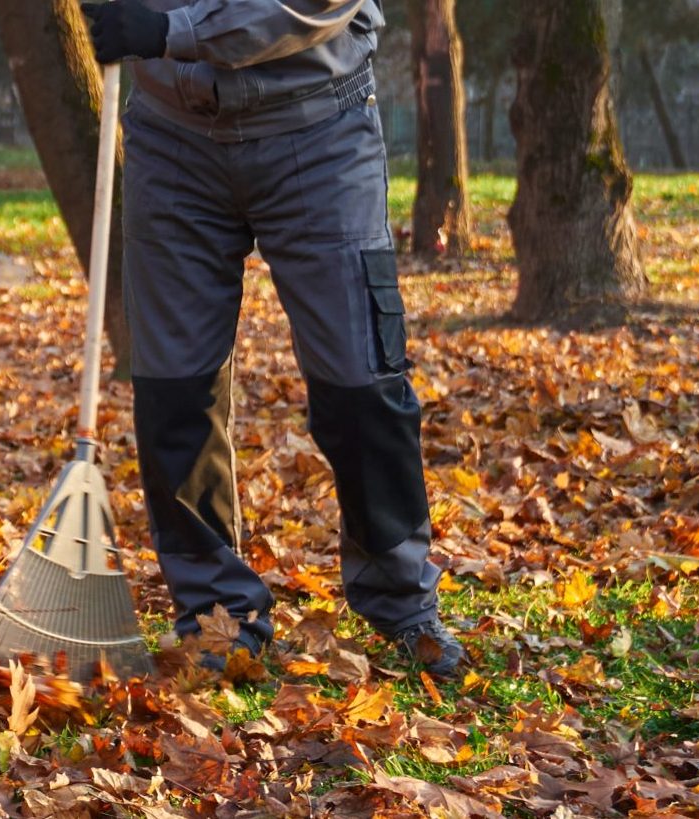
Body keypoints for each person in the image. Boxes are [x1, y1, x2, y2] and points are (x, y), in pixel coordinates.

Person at [80, 0, 466, 679]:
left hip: (317, 127)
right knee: (174, 387)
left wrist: (171, 32)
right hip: (171, 139)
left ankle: (402, 600)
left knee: (360, 379)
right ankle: (214, 615)